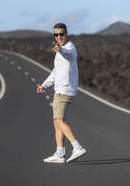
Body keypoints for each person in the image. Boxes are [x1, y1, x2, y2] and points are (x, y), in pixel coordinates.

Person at [37, 23, 87, 163]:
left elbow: (69, 55)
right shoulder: (62, 51)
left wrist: (60, 51)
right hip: (59, 89)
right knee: (56, 122)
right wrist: (44, 84)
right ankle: (60, 154)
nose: (59, 37)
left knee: (59, 120)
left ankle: (77, 147)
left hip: (64, 90)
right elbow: (55, 72)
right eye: (56, 34)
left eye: (61, 34)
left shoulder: (70, 48)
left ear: (67, 33)